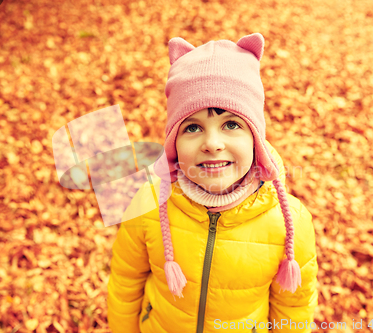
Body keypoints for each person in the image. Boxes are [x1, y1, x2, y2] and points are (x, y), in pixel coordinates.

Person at [107, 33, 318, 333]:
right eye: (193, 127)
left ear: (256, 140)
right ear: (173, 143)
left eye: (231, 124)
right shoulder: (149, 204)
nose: (212, 143)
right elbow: (125, 284)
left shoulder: (289, 223)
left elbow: (293, 309)